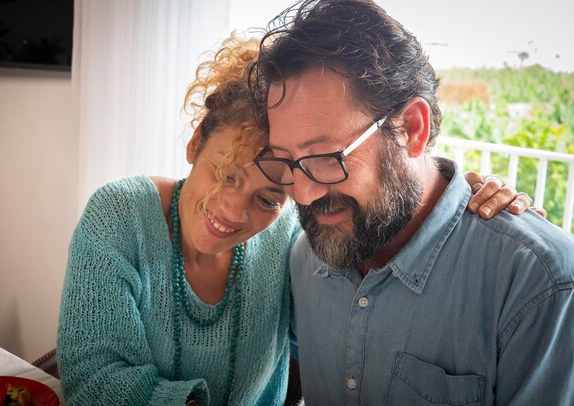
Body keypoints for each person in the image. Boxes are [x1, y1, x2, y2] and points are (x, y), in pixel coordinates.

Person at [56, 34, 535, 406]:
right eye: (224, 174)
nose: (233, 210)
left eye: (267, 199)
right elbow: (92, 379)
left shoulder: (296, 242)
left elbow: (383, 191)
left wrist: (460, 192)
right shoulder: (121, 215)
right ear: (195, 142)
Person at [250, 1, 574, 404]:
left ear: (412, 129)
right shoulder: (306, 257)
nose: (302, 193)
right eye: (286, 161)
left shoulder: (536, 282)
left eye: (325, 158)